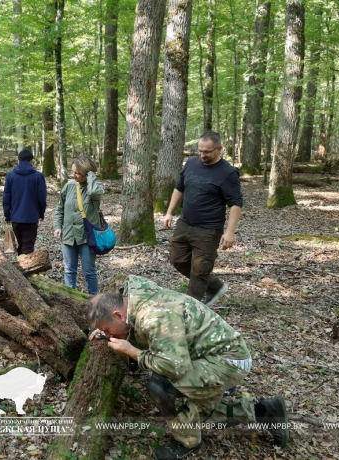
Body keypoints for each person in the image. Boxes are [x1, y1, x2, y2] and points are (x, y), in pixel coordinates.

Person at [88, 274, 289, 460]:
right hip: (210, 354)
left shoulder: (154, 316)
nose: (109, 335)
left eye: (107, 329)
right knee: (197, 415)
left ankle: (188, 442)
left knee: (162, 387)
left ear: (119, 315)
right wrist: (108, 333)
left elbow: (174, 367)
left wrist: (133, 352)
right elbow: (146, 335)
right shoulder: (135, 297)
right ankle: (265, 411)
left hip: (227, 362)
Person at [163, 131, 243, 306]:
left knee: (200, 271)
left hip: (208, 229)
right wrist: (169, 212)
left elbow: (236, 204)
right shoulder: (191, 163)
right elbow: (179, 188)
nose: (202, 155)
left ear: (219, 149)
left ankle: (191, 310)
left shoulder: (227, 173)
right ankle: (215, 286)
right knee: (177, 260)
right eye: (199, 151)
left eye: (207, 152)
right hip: (185, 223)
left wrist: (230, 233)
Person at [53, 156, 105, 295]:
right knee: (69, 270)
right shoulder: (69, 186)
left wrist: (91, 175)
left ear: (87, 173)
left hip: (87, 237)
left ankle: (93, 300)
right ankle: (70, 299)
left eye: (78, 173)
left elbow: (93, 192)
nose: (74, 175)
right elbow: (59, 209)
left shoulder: (96, 188)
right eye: (73, 172)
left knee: (89, 271)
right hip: (68, 235)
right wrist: (58, 226)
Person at [3, 149, 47, 255]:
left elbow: (6, 196)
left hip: (16, 217)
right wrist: (41, 213)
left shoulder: (11, 175)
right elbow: (42, 196)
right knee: (28, 247)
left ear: (18, 160)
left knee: (22, 245)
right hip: (31, 217)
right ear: (31, 160)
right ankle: (26, 268)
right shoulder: (38, 176)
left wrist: (7, 214)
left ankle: (21, 268)